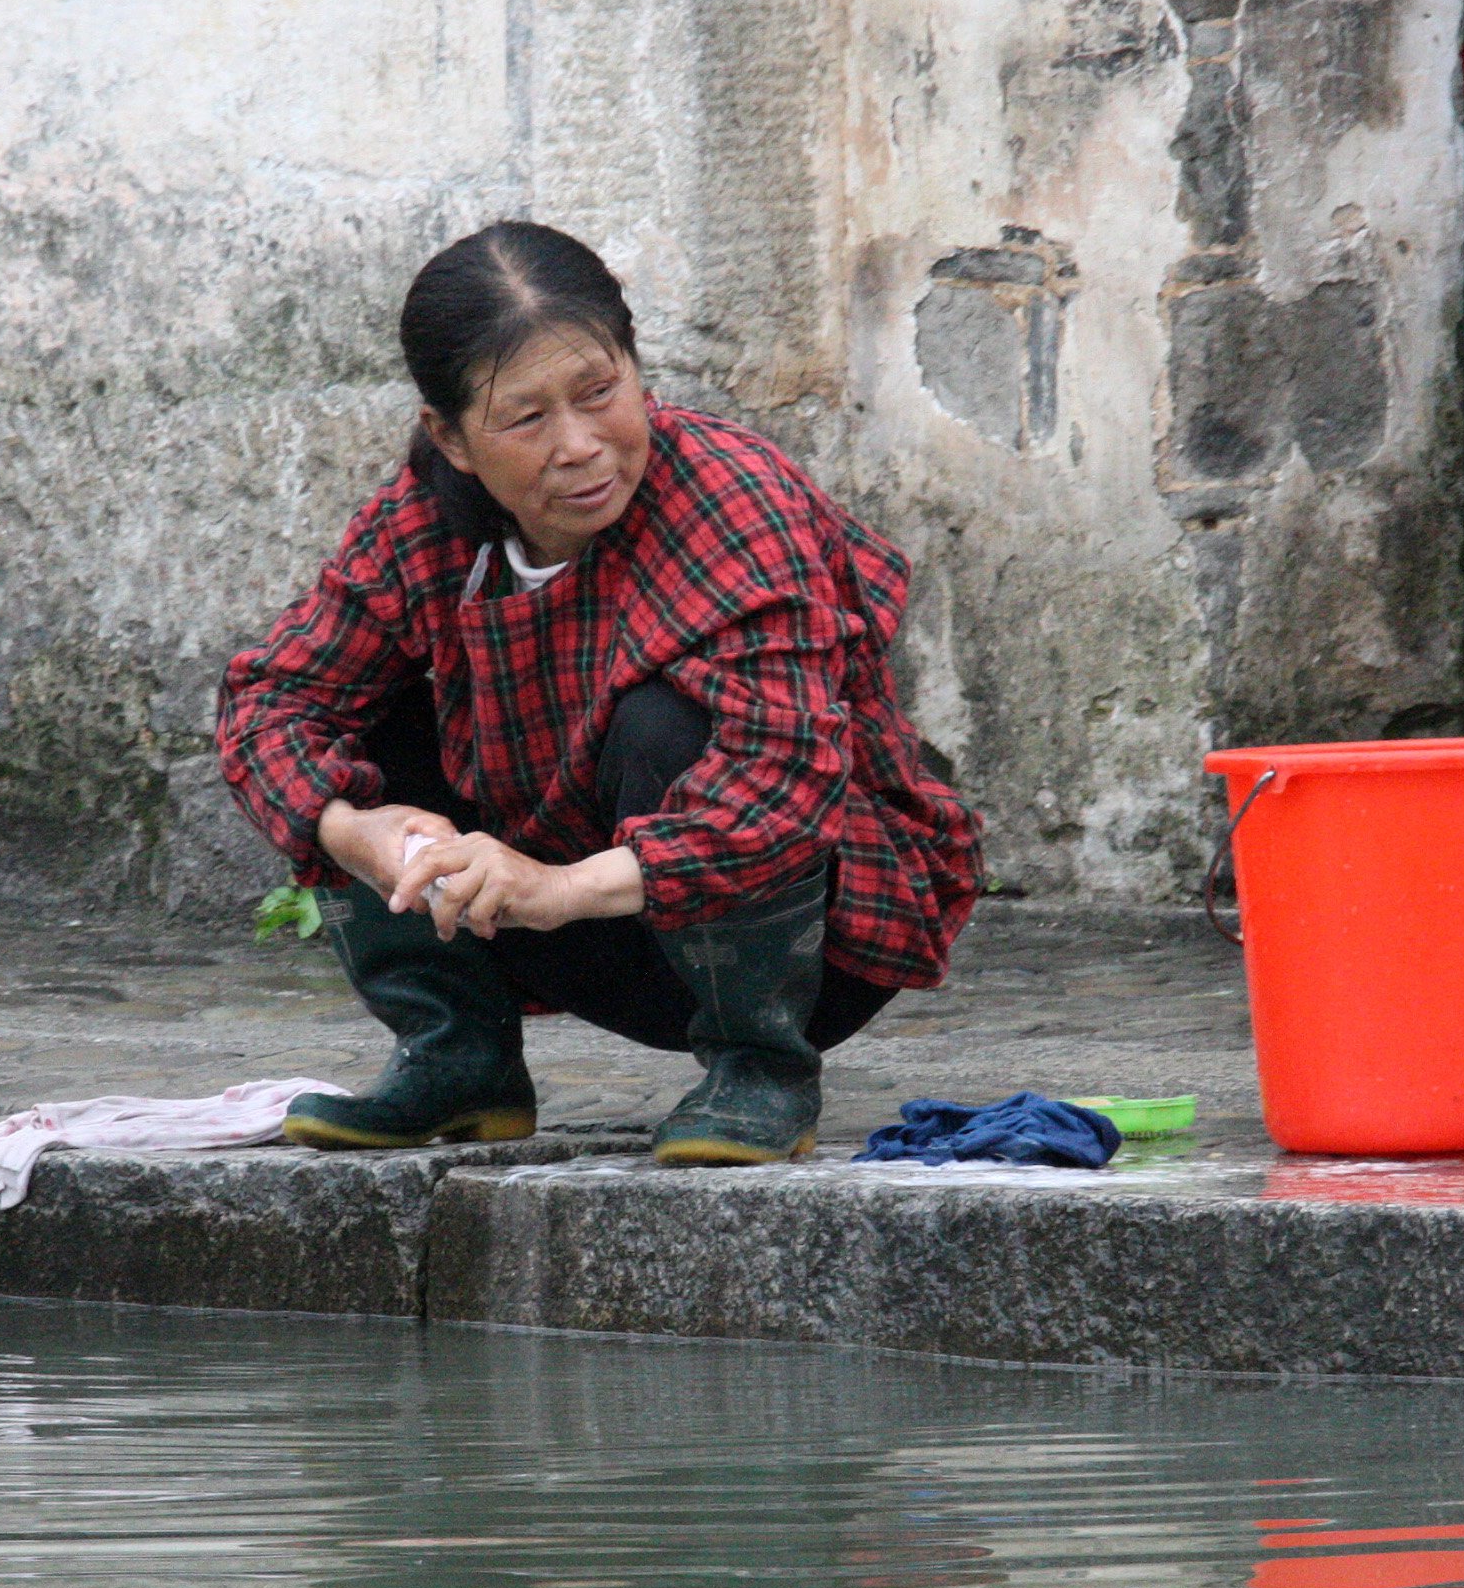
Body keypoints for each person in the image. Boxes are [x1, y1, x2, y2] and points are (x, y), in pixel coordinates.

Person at [217, 222, 983, 1165]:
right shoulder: (421, 525)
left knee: (668, 722)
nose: (580, 447)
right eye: (526, 418)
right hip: (566, 923)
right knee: (358, 726)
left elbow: (781, 782)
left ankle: (761, 1069)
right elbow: (269, 706)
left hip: (802, 945)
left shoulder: (731, 497)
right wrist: (362, 834)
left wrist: (557, 887)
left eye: (599, 393)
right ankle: (460, 1060)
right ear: (450, 438)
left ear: (635, 369)